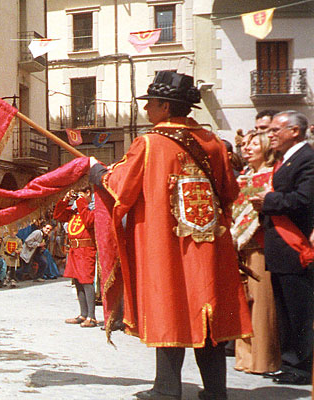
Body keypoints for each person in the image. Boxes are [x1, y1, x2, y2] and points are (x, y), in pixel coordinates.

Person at [89, 71, 251, 399]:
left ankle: (166, 389)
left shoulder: (148, 143)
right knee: (209, 312)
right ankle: (216, 391)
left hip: (166, 246)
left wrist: (97, 172)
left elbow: (123, 188)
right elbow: (231, 190)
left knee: (170, 308)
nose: (146, 110)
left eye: (150, 104)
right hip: (211, 243)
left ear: (165, 106)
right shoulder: (215, 144)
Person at [249, 110, 314, 385]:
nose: (271, 135)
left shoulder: (307, 159)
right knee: (285, 309)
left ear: (295, 132)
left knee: (299, 309)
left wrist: (270, 201)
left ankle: (301, 365)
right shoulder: (286, 159)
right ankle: (289, 362)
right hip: (280, 247)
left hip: (294, 243)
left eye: (276, 129)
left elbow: (303, 198)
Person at [231, 130, 280, 374]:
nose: (247, 149)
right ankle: (245, 358)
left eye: (253, 145)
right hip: (240, 244)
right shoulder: (244, 176)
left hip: (260, 243)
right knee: (243, 302)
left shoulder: (272, 175)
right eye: (246, 145)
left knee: (261, 304)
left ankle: (263, 360)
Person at [54, 188, 98, 328]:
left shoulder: (93, 211)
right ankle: (83, 314)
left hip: (86, 249)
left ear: (88, 193)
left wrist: (81, 201)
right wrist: (66, 199)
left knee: (86, 281)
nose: (79, 196)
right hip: (74, 250)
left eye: (82, 193)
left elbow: (89, 221)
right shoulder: (75, 212)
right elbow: (58, 215)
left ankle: (92, 317)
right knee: (77, 281)